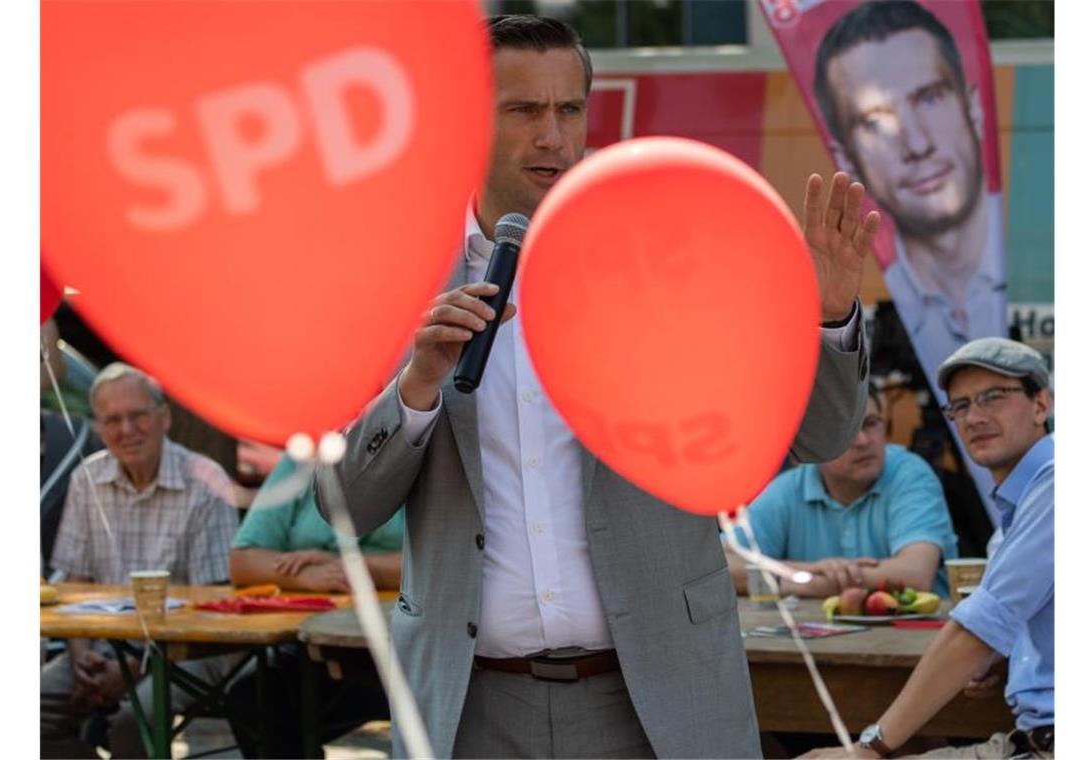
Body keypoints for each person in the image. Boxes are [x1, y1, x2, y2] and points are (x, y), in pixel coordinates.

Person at [317, 14, 877, 759]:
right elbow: (344, 506)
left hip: (657, 703)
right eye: (523, 110)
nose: (553, 135)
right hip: (468, 706)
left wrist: (831, 317)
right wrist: (419, 384)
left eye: (569, 110)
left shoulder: (668, 265)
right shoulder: (394, 280)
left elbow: (815, 435)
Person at [803, 337, 1053, 759]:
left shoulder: (1059, 482)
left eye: (994, 397)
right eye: (960, 406)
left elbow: (977, 625)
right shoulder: (1017, 507)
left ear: (1041, 404)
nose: (974, 417)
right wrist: (1008, 657)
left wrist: (870, 748)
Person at [40, 363, 241, 759]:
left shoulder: (204, 480)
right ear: (98, 427)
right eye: (113, 420)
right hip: (102, 646)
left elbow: (211, 607)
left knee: (133, 721)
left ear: (164, 418)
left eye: (137, 416)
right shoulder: (87, 479)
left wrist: (136, 667)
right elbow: (73, 582)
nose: (127, 430)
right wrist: (81, 656)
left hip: (192, 650)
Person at [813, 0, 1007, 399]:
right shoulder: (860, 301)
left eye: (930, 98)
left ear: (973, 107)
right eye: (875, 122)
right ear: (846, 158)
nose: (917, 144)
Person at [223, 454, 403, 757]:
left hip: (402, 648)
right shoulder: (303, 456)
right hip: (311, 647)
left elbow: (449, 563)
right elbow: (243, 561)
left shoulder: (417, 445)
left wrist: (355, 567)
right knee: (254, 701)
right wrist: (308, 576)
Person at [726, 384, 958, 598]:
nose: (862, 440)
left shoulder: (909, 473)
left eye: (871, 423)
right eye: (844, 432)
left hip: (917, 640)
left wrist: (804, 582)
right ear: (811, 443)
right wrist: (809, 571)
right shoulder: (789, 488)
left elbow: (914, 575)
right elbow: (719, 568)